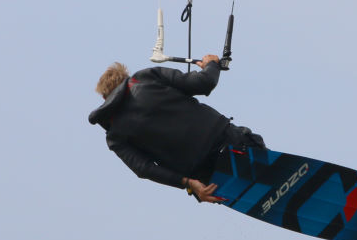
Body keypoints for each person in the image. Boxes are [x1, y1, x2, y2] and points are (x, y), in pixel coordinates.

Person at [88, 54, 266, 203]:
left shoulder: (114, 136)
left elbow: (144, 169)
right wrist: (211, 64)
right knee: (255, 147)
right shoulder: (145, 78)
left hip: (204, 176)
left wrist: (188, 183)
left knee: (248, 193)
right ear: (124, 77)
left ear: (105, 98)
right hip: (226, 141)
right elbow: (204, 82)